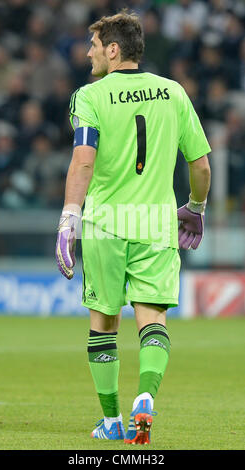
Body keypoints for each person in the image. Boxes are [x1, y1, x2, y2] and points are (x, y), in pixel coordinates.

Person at [55, 10, 211, 445]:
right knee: (152, 320)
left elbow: (83, 159)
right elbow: (199, 164)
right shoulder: (174, 92)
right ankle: (146, 395)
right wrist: (195, 208)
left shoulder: (89, 96)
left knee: (103, 324)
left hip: (105, 223)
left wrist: (70, 214)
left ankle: (111, 421)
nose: (88, 53)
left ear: (113, 49)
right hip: (157, 223)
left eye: (94, 45)